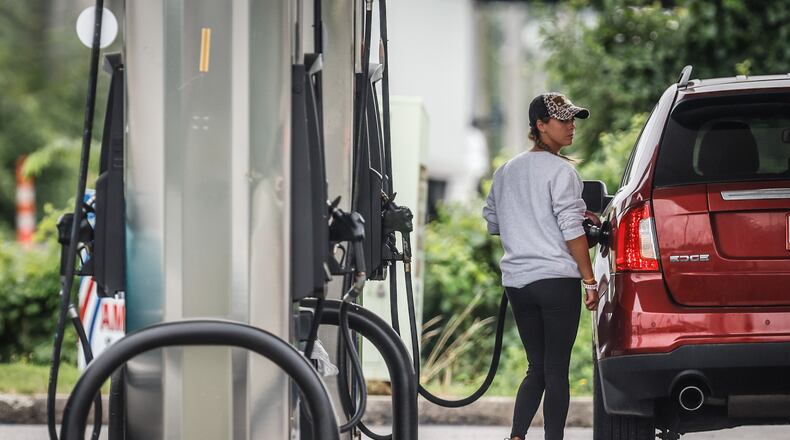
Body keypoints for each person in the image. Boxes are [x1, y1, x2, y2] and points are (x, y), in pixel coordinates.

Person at [482, 92, 598, 440]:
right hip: (556, 282)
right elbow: (571, 230)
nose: (570, 126)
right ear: (540, 125)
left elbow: (493, 222)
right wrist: (589, 280)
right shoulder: (561, 172)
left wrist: (528, 226)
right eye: (562, 120)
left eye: (572, 119)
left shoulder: (506, 171)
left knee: (537, 367)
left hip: (518, 283)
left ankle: (516, 437)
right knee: (557, 369)